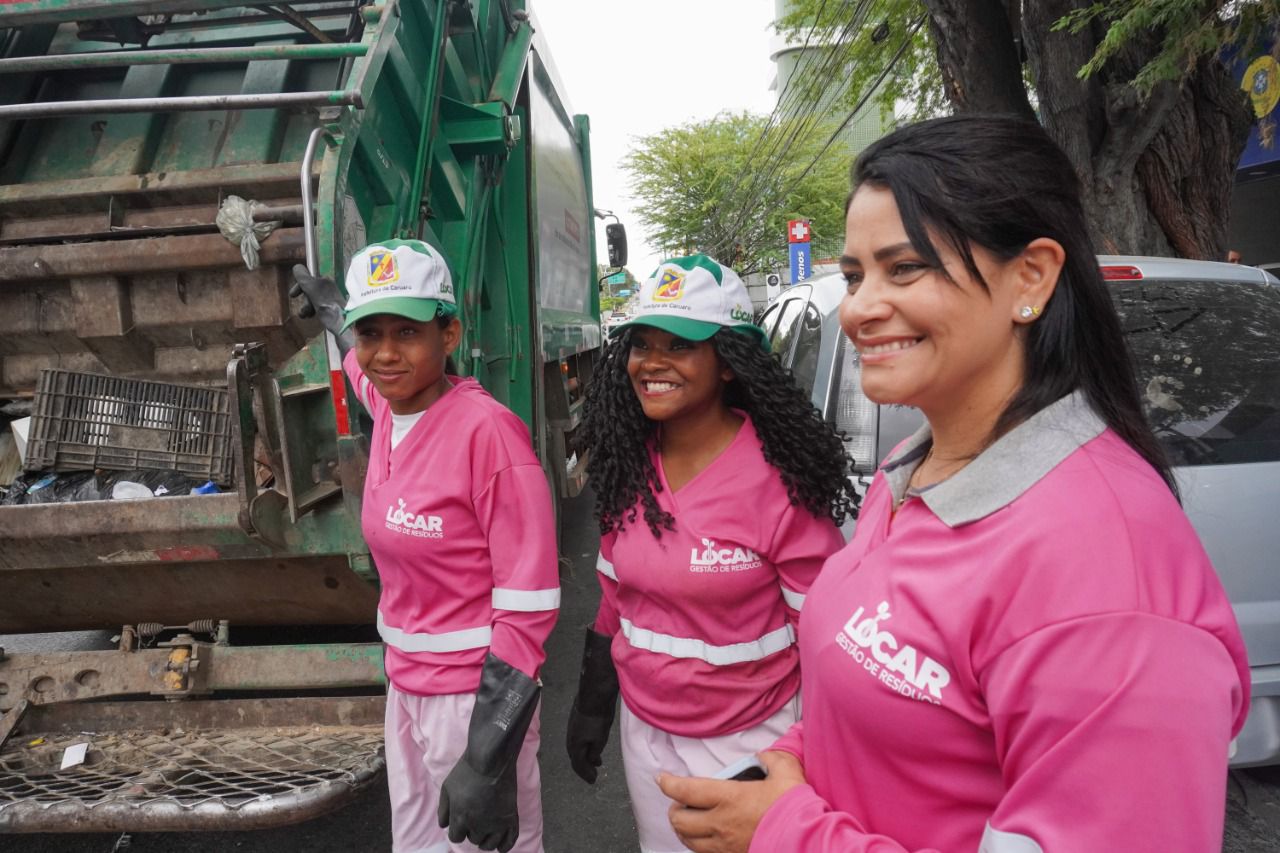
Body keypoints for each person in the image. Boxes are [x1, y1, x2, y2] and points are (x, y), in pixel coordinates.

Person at [658, 115, 1251, 852]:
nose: (859, 308)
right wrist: (791, 763)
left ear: (1029, 276)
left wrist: (786, 832)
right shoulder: (914, 469)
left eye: (903, 268)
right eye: (853, 274)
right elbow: (889, 711)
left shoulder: (1106, 581)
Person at [565, 254, 860, 853]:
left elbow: (826, 636)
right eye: (642, 344)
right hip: (646, 733)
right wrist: (595, 699)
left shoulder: (780, 482)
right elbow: (616, 599)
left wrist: (805, 755)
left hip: (751, 740)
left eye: (680, 345)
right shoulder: (628, 467)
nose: (653, 364)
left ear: (729, 361)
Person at [292, 240, 559, 853]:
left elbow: (529, 609)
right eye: (370, 332)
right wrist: (334, 310)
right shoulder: (391, 409)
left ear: (450, 333)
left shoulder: (488, 436)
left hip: (471, 703)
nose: (385, 354)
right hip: (408, 690)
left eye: (406, 332)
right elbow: (361, 371)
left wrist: (486, 759)